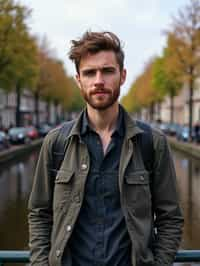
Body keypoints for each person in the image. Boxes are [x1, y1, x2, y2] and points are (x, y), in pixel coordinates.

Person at [28, 31, 184, 266]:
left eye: (107, 71)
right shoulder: (56, 143)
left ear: (122, 76)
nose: (98, 80)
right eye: (90, 73)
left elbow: (170, 218)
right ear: (79, 80)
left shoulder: (152, 143)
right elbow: (39, 214)